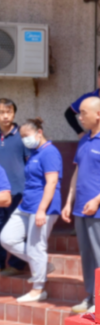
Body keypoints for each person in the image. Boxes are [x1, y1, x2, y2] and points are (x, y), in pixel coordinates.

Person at [62, 97, 100, 314]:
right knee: (87, 257)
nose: (79, 117)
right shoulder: (84, 140)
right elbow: (77, 172)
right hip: (80, 209)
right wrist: (69, 202)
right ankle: (91, 297)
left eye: (83, 113)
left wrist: (97, 200)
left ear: (98, 114)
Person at [0, 118, 62, 303]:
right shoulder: (35, 153)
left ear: (39, 133)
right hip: (26, 205)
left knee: (37, 246)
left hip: (42, 207)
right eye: (22, 137)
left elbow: (52, 182)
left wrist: (42, 209)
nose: (24, 140)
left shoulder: (50, 152)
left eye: (26, 136)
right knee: (7, 238)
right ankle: (41, 263)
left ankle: (38, 289)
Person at [0, 98, 29, 276]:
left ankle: (17, 265)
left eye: (9, 112)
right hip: (0, 194)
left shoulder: (22, 135)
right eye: (1, 112)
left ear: (14, 114)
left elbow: (31, 163)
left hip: (19, 192)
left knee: (19, 229)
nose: (5, 116)